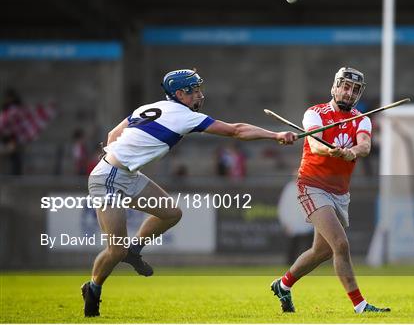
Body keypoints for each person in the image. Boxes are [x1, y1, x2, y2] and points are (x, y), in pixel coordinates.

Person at [82, 69, 296, 317]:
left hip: (126, 175)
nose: (200, 95)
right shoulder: (184, 117)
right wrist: (276, 135)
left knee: (171, 213)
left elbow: (112, 135)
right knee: (115, 250)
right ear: (180, 93)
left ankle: (135, 250)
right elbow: (236, 130)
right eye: (194, 91)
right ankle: (93, 289)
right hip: (107, 179)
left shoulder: (148, 108)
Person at [270, 67, 390, 314]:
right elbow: (314, 144)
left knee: (321, 251)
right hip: (311, 184)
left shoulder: (362, 119)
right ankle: (360, 305)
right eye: (345, 87)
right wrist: (331, 150)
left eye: (355, 89)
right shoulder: (315, 113)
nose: (349, 93)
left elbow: (365, 146)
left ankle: (283, 285)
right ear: (335, 87)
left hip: (339, 192)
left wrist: (351, 152)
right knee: (340, 244)